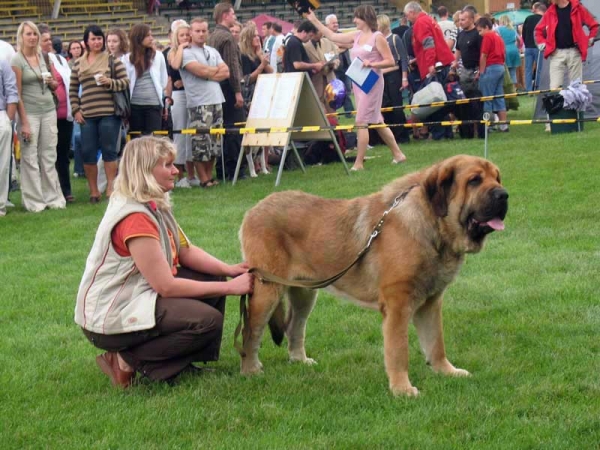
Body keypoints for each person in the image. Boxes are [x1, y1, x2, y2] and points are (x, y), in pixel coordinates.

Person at [74, 136, 254, 387]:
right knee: (206, 321)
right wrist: (230, 288)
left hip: (131, 297)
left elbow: (184, 250)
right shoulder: (135, 217)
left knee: (212, 279)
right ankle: (126, 359)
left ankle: (178, 365)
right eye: (167, 165)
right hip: (109, 317)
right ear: (145, 170)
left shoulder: (150, 202)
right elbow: (166, 286)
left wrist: (229, 270)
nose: (176, 170)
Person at [307, 6, 407, 171]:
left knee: (361, 121)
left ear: (365, 19)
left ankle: (358, 163)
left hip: (372, 82)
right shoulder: (357, 35)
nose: (354, 20)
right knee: (377, 121)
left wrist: (372, 63)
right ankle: (398, 154)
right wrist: (313, 19)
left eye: (357, 18)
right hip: (359, 82)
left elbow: (390, 61)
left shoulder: (378, 37)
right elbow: (332, 36)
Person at [70, 24, 129, 203]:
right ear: (86, 41)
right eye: (93, 38)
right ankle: (93, 190)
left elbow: (125, 82)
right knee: (87, 152)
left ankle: (111, 186)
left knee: (109, 150)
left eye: (99, 38)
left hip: (109, 112)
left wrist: (109, 82)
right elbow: (73, 88)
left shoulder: (112, 60)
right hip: (87, 114)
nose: (97, 42)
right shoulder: (78, 63)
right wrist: (76, 110)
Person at [12, 21, 65, 212]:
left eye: (35, 34)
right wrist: (24, 122)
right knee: (29, 156)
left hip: (49, 110)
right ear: (21, 36)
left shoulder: (44, 56)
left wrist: (51, 82)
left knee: (49, 155)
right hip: (30, 113)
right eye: (28, 34)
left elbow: (54, 85)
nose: (33, 37)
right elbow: (16, 93)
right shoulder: (16, 60)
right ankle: (34, 201)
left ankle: (53, 198)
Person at [177, 17, 229, 188]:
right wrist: (213, 72)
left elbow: (226, 72)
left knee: (215, 141)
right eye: (197, 31)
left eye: (203, 30)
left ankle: (209, 176)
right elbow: (198, 70)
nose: (200, 34)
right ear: (191, 33)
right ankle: (203, 178)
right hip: (199, 103)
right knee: (201, 142)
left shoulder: (212, 51)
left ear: (208, 31)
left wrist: (208, 72)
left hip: (217, 99)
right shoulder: (186, 52)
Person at [208, 2, 246, 181]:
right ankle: (236, 170)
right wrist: (237, 91)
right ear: (224, 15)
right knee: (234, 130)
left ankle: (222, 169)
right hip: (229, 88)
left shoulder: (213, 36)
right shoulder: (227, 37)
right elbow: (232, 66)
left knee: (223, 131)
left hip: (217, 87)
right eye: (232, 14)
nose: (235, 16)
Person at [39, 24, 75, 204]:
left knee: (63, 153)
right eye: (45, 40)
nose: (49, 42)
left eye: (49, 39)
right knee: (48, 154)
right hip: (47, 113)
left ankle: (65, 189)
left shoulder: (59, 60)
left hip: (64, 114)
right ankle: (50, 191)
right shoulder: (35, 60)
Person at [534, 0, 598, 90]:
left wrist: (590, 39)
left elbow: (594, 25)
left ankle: (574, 103)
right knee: (554, 89)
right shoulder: (550, 12)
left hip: (575, 53)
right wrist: (543, 44)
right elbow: (538, 31)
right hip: (556, 54)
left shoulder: (578, 8)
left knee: (576, 89)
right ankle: (558, 103)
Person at [167, 20, 200, 188]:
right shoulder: (172, 52)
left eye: (188, 34)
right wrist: (180, 48)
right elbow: (174, 69)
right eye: (182, 35)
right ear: (176, 37)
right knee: (180, 134)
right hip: (179, 96)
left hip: (192, 94)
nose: (186, 37)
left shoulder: (195, 51)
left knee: (191, 135)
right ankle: (179, 176)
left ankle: (192, 174)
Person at [124, 24, 168, 137]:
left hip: (154, 104)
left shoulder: (158, 56)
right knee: (137, 140)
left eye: (151, 35)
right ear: (138, 37)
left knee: (153, 141)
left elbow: (163, 80)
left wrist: (164, 104)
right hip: (134, 106)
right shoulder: (126, 59)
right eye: (147, 35)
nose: (151, 38)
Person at [376, 14, 410, 144]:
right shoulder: (379, 40)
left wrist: (404, 78)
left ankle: (402, 136)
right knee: (385, 106)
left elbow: (403, 59)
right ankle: (390, 135)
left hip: (394, 76)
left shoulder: (394, 39)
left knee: (397, 106)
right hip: (382, 77)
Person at [403, 2, 454, 83]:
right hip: (442, 63)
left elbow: (429, 44)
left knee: (436, 94)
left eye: (407, 15)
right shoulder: (429, 19)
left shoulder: (420, 23)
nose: (407, 19)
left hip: (435, 67)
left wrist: (430, 64)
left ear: (411, 13)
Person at [453, 8, 485, 139]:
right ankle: (468, 130)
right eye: (460, 20)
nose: (461, 22)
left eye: (463, 19)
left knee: (477, 103)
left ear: (471, 19)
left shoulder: (477, 34)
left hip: (475, 70)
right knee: (465, 103)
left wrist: (480, 70)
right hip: (464, 72)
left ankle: (480, 130)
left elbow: (483, 53)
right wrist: (454, 63)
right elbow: (458, 50)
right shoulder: (460, 34)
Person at [476, 17, 508, 132]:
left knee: (487, 98)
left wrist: (481, 71)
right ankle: (504, 125)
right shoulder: (498, 36)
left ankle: (488, 125)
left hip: (490, 68)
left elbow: (484, 55)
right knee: (499, 97)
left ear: (486, 27)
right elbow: (504, 53)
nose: (479, 34)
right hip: (500, 67)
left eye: (480, 30)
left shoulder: (488, 36)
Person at [0, 51, 18, 217]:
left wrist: (8, 118)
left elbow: (12, 90)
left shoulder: (1, 60)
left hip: (1, 116)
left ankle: (0, 205)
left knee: (3, 164)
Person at [326, 14, 354, 117]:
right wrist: (339, 47)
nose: (336, 24)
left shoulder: (342, 34)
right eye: (333, 23)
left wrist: (338, 46)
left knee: (347, 91)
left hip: (346, 67)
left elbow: (350, 45)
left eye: (337, 22)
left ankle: (349, 113)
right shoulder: (326, 38)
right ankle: (334, 114)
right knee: (335, 93)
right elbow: (329, 53)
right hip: (334, 69)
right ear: (327, 25)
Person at [303, 29, 338, 112]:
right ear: (312, 33)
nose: (322, 33)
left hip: (330, 79)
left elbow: (336, 57)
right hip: (316, 80)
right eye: (319, 31)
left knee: (332, 106)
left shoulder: (328, 42)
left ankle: (333, 123)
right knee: (319, 107)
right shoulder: (305, 46)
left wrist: (334, 64)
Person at [522, 2, 546, 92]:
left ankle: (528, 89)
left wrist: (527, 43)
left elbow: (523, 34)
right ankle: (538, 88)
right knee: (540, 70)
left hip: (528, 47)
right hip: (539, 48)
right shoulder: (544, 19)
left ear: (536, 9)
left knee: (528, 70)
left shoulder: (528, 18)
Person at [497, 15, 521, 88]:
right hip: (514, 50)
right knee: (513, 72)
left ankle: (505, 89)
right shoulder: (512, 29)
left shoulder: (498, 29)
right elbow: (519, 39)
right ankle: (513, 89)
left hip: (504, 50)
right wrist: (517, 46)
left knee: (504, 72)